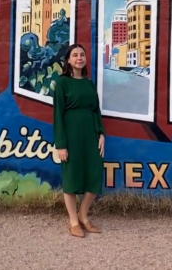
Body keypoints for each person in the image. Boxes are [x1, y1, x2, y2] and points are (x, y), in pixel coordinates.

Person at [53, 43, 105, 238]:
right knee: (72, 177)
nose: (79, 58)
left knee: (94, 175)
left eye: (82, 55)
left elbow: (96, 110)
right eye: (75, 55)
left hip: (90, 133)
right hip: (71, 134)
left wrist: (101, 133)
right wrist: (61, 144)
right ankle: (73, 221)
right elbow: (58, 114)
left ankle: (84, 216)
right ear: (68, 60)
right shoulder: (62, 83)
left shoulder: (89, 82)